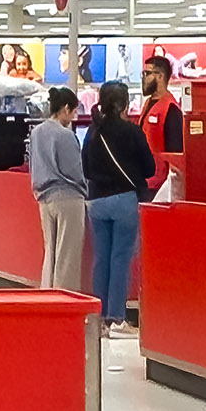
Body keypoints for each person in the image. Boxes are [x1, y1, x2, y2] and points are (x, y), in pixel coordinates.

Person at [82, 80, 154, 339]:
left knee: (101, 258)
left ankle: (98, 318)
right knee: (120, 259)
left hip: (96, 201)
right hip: (124, 199)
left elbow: (86, 169)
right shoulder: (132, 132)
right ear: (124, 103)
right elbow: (150, 169)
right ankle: (117, 318)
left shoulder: (93, 132)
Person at [29, 87, 87, 292]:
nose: (74, 116)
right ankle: (65, 298)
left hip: (44, 198)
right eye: (73, 111)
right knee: (67, 255)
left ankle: (47, 295)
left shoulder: (36, 133)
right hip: (69, 198)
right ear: (65, 108)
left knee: (50, 253)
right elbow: (74, 170)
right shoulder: (66, 135)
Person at [139, 55, 185, 199]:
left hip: (159, 187)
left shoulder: (171, 109)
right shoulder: (147, 104)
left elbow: (175, 154)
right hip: (143, 180)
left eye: (147, 74)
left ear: (160, 76)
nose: (143, 78)